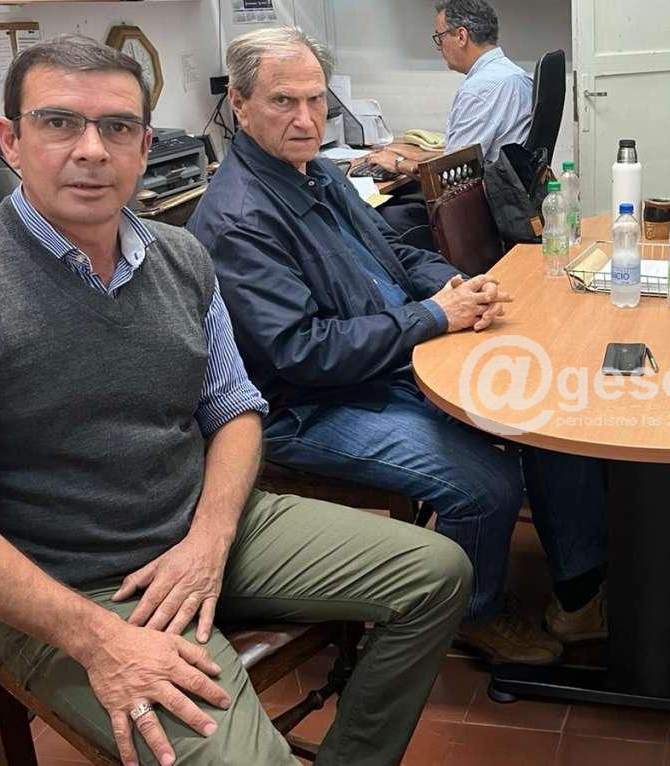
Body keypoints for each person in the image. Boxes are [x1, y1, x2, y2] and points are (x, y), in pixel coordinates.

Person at [0, 35, 471, 766]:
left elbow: (235, 409)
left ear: (144, 146)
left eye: (117, 127)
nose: (92, 150)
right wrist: (100, 640)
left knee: (438, 575)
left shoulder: (180, 256)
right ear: (10, 139)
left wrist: (209, 540)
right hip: (76, 587)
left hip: (204, 528)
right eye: (59, 122)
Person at [187, 27, 608, 668]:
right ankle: (473, 615)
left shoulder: (316, 174)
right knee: (487, 485)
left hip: (386, 360)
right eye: (283, 102)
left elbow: (396, 252)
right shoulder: (239, 219)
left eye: (315, 99)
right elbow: (304, 352)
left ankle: (579, 594)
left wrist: (456, 285)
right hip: (308, 406)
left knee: (548, 406)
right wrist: (432, 317)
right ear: (239, 106)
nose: (306, 119)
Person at [369, 0, 531, 178]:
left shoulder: (479, 89)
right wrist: (419, 157)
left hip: (481, 193)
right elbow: (468, 155)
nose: (439, 47)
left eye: (440, 37)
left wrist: (398, 163)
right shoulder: (515, 75)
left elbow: (452, 176)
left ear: (461, 36)